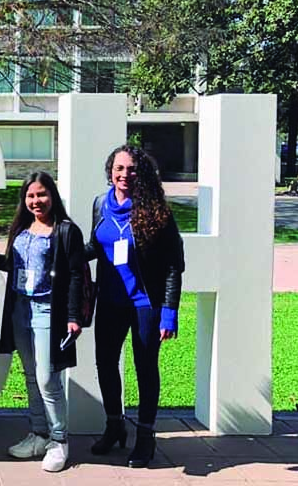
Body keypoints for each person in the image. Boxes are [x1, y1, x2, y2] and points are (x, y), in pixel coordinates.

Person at [0, 171, 84, 473]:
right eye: (31, 196)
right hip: (20, 310)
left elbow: (76, 275)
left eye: (42, 194)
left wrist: (74, 317)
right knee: (32, 376)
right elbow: (13, 266)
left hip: (49, 311)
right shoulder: (22, 228)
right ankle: (39, 434)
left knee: (48, 378)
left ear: (53, 195)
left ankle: (59, 440)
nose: (37, 201)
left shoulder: (65, 230)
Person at [86, 145, 185, 468]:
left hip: (145, 304)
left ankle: (145, 436)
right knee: (105, 363)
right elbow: (94, 246)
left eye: (131, 169)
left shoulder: (156, 209)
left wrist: (169, 312)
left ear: (141, 173)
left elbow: (174, 263)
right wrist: (62, 247)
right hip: (110, 302)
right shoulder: (100, 204)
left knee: (145, 369)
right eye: (119, 168)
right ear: (110, 171)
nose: (124, 174)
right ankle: (114, 424)